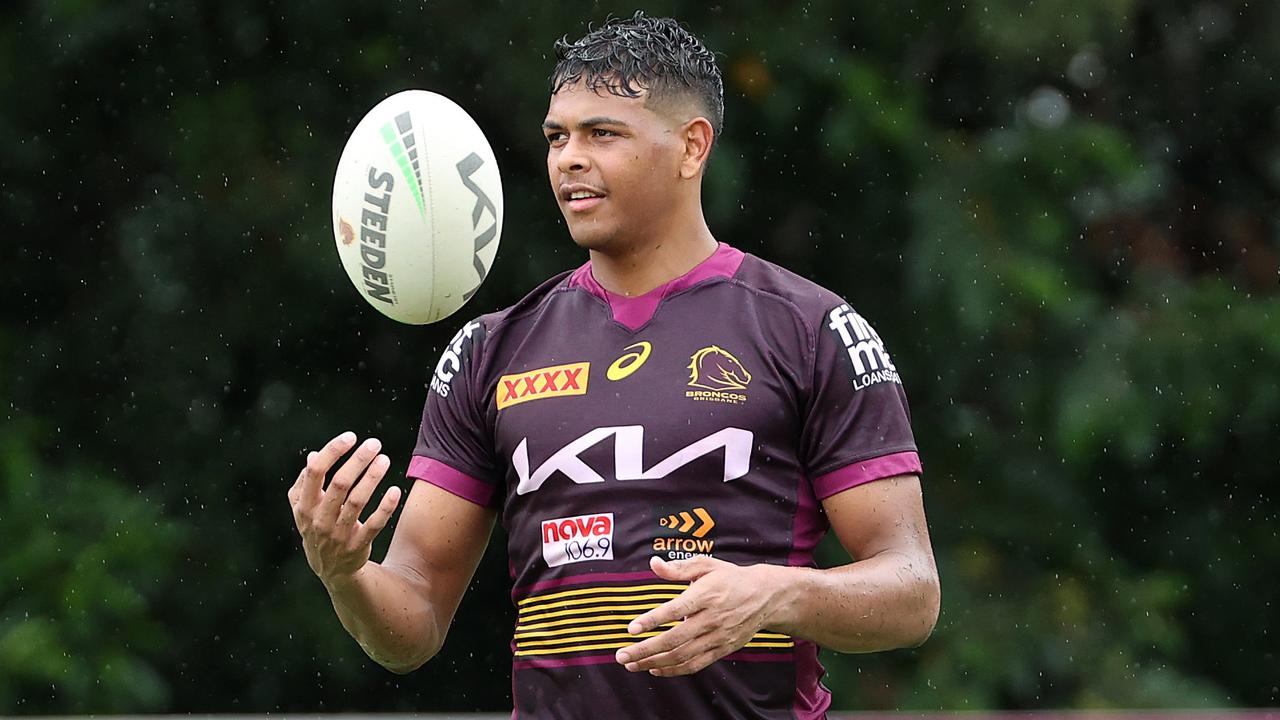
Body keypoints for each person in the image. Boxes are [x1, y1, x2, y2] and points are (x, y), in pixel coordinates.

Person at [288, 11, 940, 719]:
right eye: (557, 137)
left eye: (602, 133)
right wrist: (346, 572)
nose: (569, 158)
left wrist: (776, 594)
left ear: (692, 147)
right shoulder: (491, 351)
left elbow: (911, 592)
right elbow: (411, 623)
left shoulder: (810, 330)